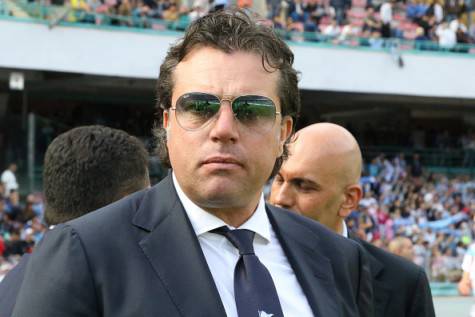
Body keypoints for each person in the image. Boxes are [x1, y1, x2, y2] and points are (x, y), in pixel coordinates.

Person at [13, 10, 373, 317]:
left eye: (251, 110)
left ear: (285, 132)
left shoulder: (339, 259)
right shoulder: (84, 253)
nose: (224, 129)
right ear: (167, 123)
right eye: (199, 107)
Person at [269, 122, 435, 317]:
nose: (280, 198)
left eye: (304, 185)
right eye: (279, 179)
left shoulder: (403, 283)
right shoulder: (239, 260)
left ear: (349, 200)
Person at [0, 125, 150, 317]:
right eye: (146, 198)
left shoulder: (13, 281)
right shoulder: (116, 290)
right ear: (125, 202)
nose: (151, 210)